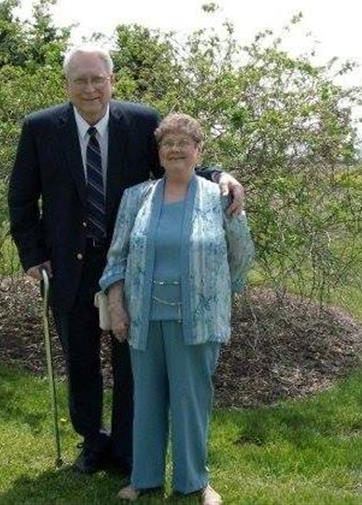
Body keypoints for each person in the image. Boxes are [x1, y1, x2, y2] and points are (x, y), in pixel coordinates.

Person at [8, 46, 245, 476]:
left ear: (111, 81)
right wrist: (33, 255)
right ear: (67, 84)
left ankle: (128, 446)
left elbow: (176, 159)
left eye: (97, 79)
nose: (90, 88)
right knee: (80, 360)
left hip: (133, 263)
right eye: (80, 80)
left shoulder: (139, 121)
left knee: (132, 361)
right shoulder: (40, 128)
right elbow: (22, 197)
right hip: (68, 266)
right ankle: (91, 441)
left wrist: (219, 175)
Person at [99, 114, 254, 504]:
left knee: (191, 401)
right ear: (159, 152)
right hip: (144, 317)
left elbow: (241, 254)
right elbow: (117, 257)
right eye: (167, 143)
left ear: (199, 151)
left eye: (184, 142)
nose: (175, 149)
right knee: (146, 400)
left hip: (197, 318)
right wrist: (117, 306)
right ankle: (144, 478)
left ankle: (195, 482)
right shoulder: (136, 197)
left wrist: (216, 292)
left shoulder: (219, 197)